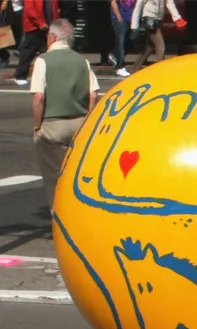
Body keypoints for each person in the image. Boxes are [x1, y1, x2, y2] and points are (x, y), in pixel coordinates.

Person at [30, 18, 99, 211]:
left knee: (54, 177)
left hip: (53, 125)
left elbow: (39, 98)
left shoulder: (43, 60)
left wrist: (37, 127)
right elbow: (93, 95)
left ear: (52, 37)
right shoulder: (82, 61)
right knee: (77, 173)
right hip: (79, 124)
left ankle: (59, 215)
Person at [129, 0, 186, 74]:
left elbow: (170, 3)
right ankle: (162, 70)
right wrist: (134, 26)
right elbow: (138, 6)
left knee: (149, 48)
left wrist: (177, 18)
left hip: (158, 21)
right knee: (160, 46)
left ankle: (134, 69)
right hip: (150, 20)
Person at [13, 0, 58, 85]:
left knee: (51, 51)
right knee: (28, 51)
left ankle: (49, 76)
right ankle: (20, 76)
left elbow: (54, 8)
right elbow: (29, 9)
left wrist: (55, 23)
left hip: (48, 25)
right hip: (33, 26)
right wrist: (40, 22)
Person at [109, 0, 136, 77]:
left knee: (132, 39)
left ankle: (115, 55)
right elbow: (113, 2)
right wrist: (119, 18)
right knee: (121, 42)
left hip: (130, 19)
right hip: (120, 19)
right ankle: (119, 67)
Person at [0, 0, 23, 69]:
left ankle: (21, 53)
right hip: (6, 11)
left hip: (16, 11)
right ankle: (4, 56)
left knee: (17, 35)